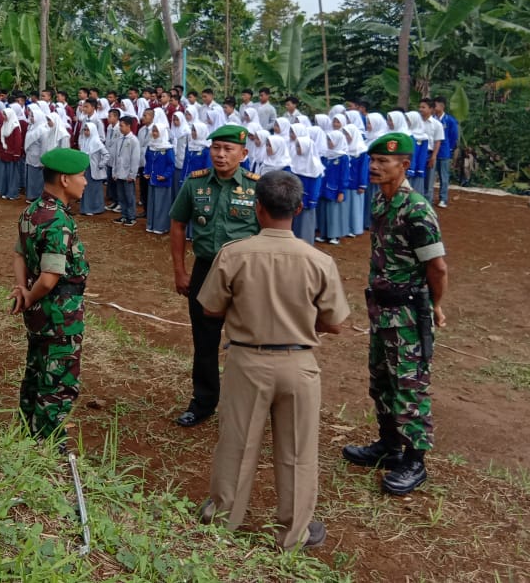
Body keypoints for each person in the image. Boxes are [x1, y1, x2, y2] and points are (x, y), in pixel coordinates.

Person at [196, 171, 349, 550]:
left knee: (237, 443)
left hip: (248, 361)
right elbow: (336, 322)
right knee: (298, 451)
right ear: (298, 209)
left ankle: (222, 519)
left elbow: (211, 309)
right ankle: (293, 533)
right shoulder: (320, 261)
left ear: (257, 208)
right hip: (299, 364)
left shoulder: (234, 254)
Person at [341, 132, 448, 496]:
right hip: (381, 311)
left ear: (403, 165)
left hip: (406, 315)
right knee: (381, 381)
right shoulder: (379, 202)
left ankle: (415, 461)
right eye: (372, 160)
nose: (375, 166)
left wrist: (435, 306)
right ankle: (389, 446)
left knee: (409, 385)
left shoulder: (416, 209)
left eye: (383, 161)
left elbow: (437, 267)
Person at [169, 125, 260, 427]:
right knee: (205, 340)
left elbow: (268, 233)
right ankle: (203, 402)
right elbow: (178, 223)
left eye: (228, 149)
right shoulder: (195, 184)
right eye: (215, 148)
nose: (220, 155)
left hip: (245, 276)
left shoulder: (255, 187)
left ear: (243, 154)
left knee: (247, 342)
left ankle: (246, 406)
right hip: (206, 270)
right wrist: (180, 270)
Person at [10, 147, 91, 441]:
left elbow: (19, 255)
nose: (85, 182)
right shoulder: (57, 220)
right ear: (65, 180)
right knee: (58, 378)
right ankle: (47, 439)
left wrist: (22, 289)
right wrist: (30, 295)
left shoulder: (32, 210)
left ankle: (27, 430)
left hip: (40, 311)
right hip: (60, 312)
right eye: (82, 176)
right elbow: (50, 276)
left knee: (37, 369)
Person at [433, 96, 458, 208]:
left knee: (444, 176)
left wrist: (449, 148)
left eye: (435, 105)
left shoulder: (449, 120)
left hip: (444, 152)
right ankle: (428, 197)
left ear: (442, 106)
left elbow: (453, 136)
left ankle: (443, 198)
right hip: (432, 151)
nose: (433, 107)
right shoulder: (432, 119)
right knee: (431, 176)